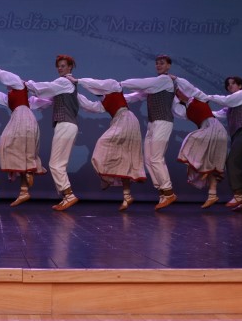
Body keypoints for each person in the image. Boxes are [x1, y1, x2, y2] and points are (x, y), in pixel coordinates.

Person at [70, 76, 147, 211]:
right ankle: (127, 196)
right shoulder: (104, 102)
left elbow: (98, 84)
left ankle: (106, 177)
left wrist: (78, 81)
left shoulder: (113, 85)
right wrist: (73, 92)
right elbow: (89, 106)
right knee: (124, 159)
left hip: (125, 119)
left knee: (103, 143)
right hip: (122, 121)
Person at [0, 65, 51, 207]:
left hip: (23, 118)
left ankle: (29, 172)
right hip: (19, 120)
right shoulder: (8, 97)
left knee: (7, 145)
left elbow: (0, 74)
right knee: (15, 151)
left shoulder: (19, 84)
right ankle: (24, 191)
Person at [119, 54, 179, 210]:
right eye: (157, 63)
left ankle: (169, 191)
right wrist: (114, 95)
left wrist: (120, 84)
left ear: (168, 66)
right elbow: (136, 96)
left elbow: (142, 84)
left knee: (156, 158)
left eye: (162, 63)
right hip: (153, 123)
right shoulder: (155, 85)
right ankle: (162, 192)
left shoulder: (164, 80)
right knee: (148, 159)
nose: (158, 65)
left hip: (163, 122)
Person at [25, 54, 81, 211]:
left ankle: (69, 195)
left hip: (66, 125)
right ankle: (66, 196)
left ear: (70, 67)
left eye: (63, 66)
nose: (60, 69)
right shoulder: (65, 86)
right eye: (58, 66)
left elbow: (46, 87)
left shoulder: (64, 81)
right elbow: (45, 100)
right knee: (59, 163)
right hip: (66, 125)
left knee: (55, 164)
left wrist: (28, 85)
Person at [171, 76, 228, 209]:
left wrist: (176, 78)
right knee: (211, 163)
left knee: (191, 139)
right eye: (177, 92)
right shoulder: (184, 110)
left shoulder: (199, 97)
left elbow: (190, 87)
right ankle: (212, 195)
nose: (180, 92)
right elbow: (175, 109)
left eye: (181, 90)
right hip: (206, 130)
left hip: (214, 128)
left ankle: (202, 168)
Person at [207, 76, 242, 211]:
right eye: (228, 84)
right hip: (237, 135)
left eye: (233, 83)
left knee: (232, 161)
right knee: (236, 164)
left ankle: (238, 194)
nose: (230, 86)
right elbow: (217, 113)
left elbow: (226, 100)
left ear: (240, 86)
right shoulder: (230, 106)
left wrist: (207, 97)